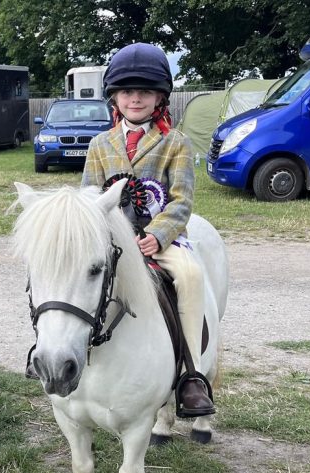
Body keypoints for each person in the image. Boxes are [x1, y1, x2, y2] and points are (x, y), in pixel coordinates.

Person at [81, 42, 215, 418]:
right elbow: (88, 197)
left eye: (143, 92)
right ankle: (60, 349)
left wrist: (158, 234)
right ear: (115, 98)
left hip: (160, 240)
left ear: (159, 97)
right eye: (127, 91)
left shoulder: (177, 143)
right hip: (112, 239)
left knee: (189, 275)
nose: (135, 98)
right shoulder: (99, 145)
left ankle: (191, 374)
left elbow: (182, 200)